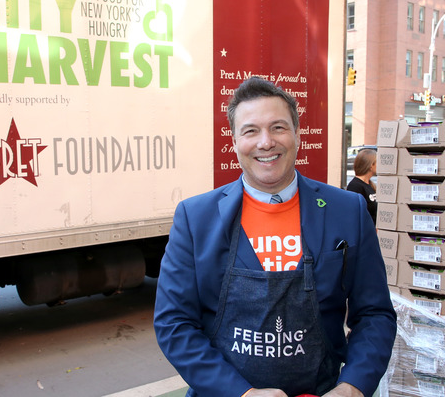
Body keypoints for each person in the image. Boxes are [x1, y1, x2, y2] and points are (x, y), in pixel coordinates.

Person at [154, 77, 396, 397]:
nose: (266, 142)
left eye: (278, 127)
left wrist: (353, 386)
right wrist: (240, 393)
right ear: (234, 141)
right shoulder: (196, 218)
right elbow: (174, 324)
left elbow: (375, 314)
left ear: (297, 135)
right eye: (251, 130)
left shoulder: (347, 210)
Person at [346, 148, 377, 225]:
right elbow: (353, 215)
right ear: (371, 165)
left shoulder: (370, 184)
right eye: (378, 163)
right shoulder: (355, 186)